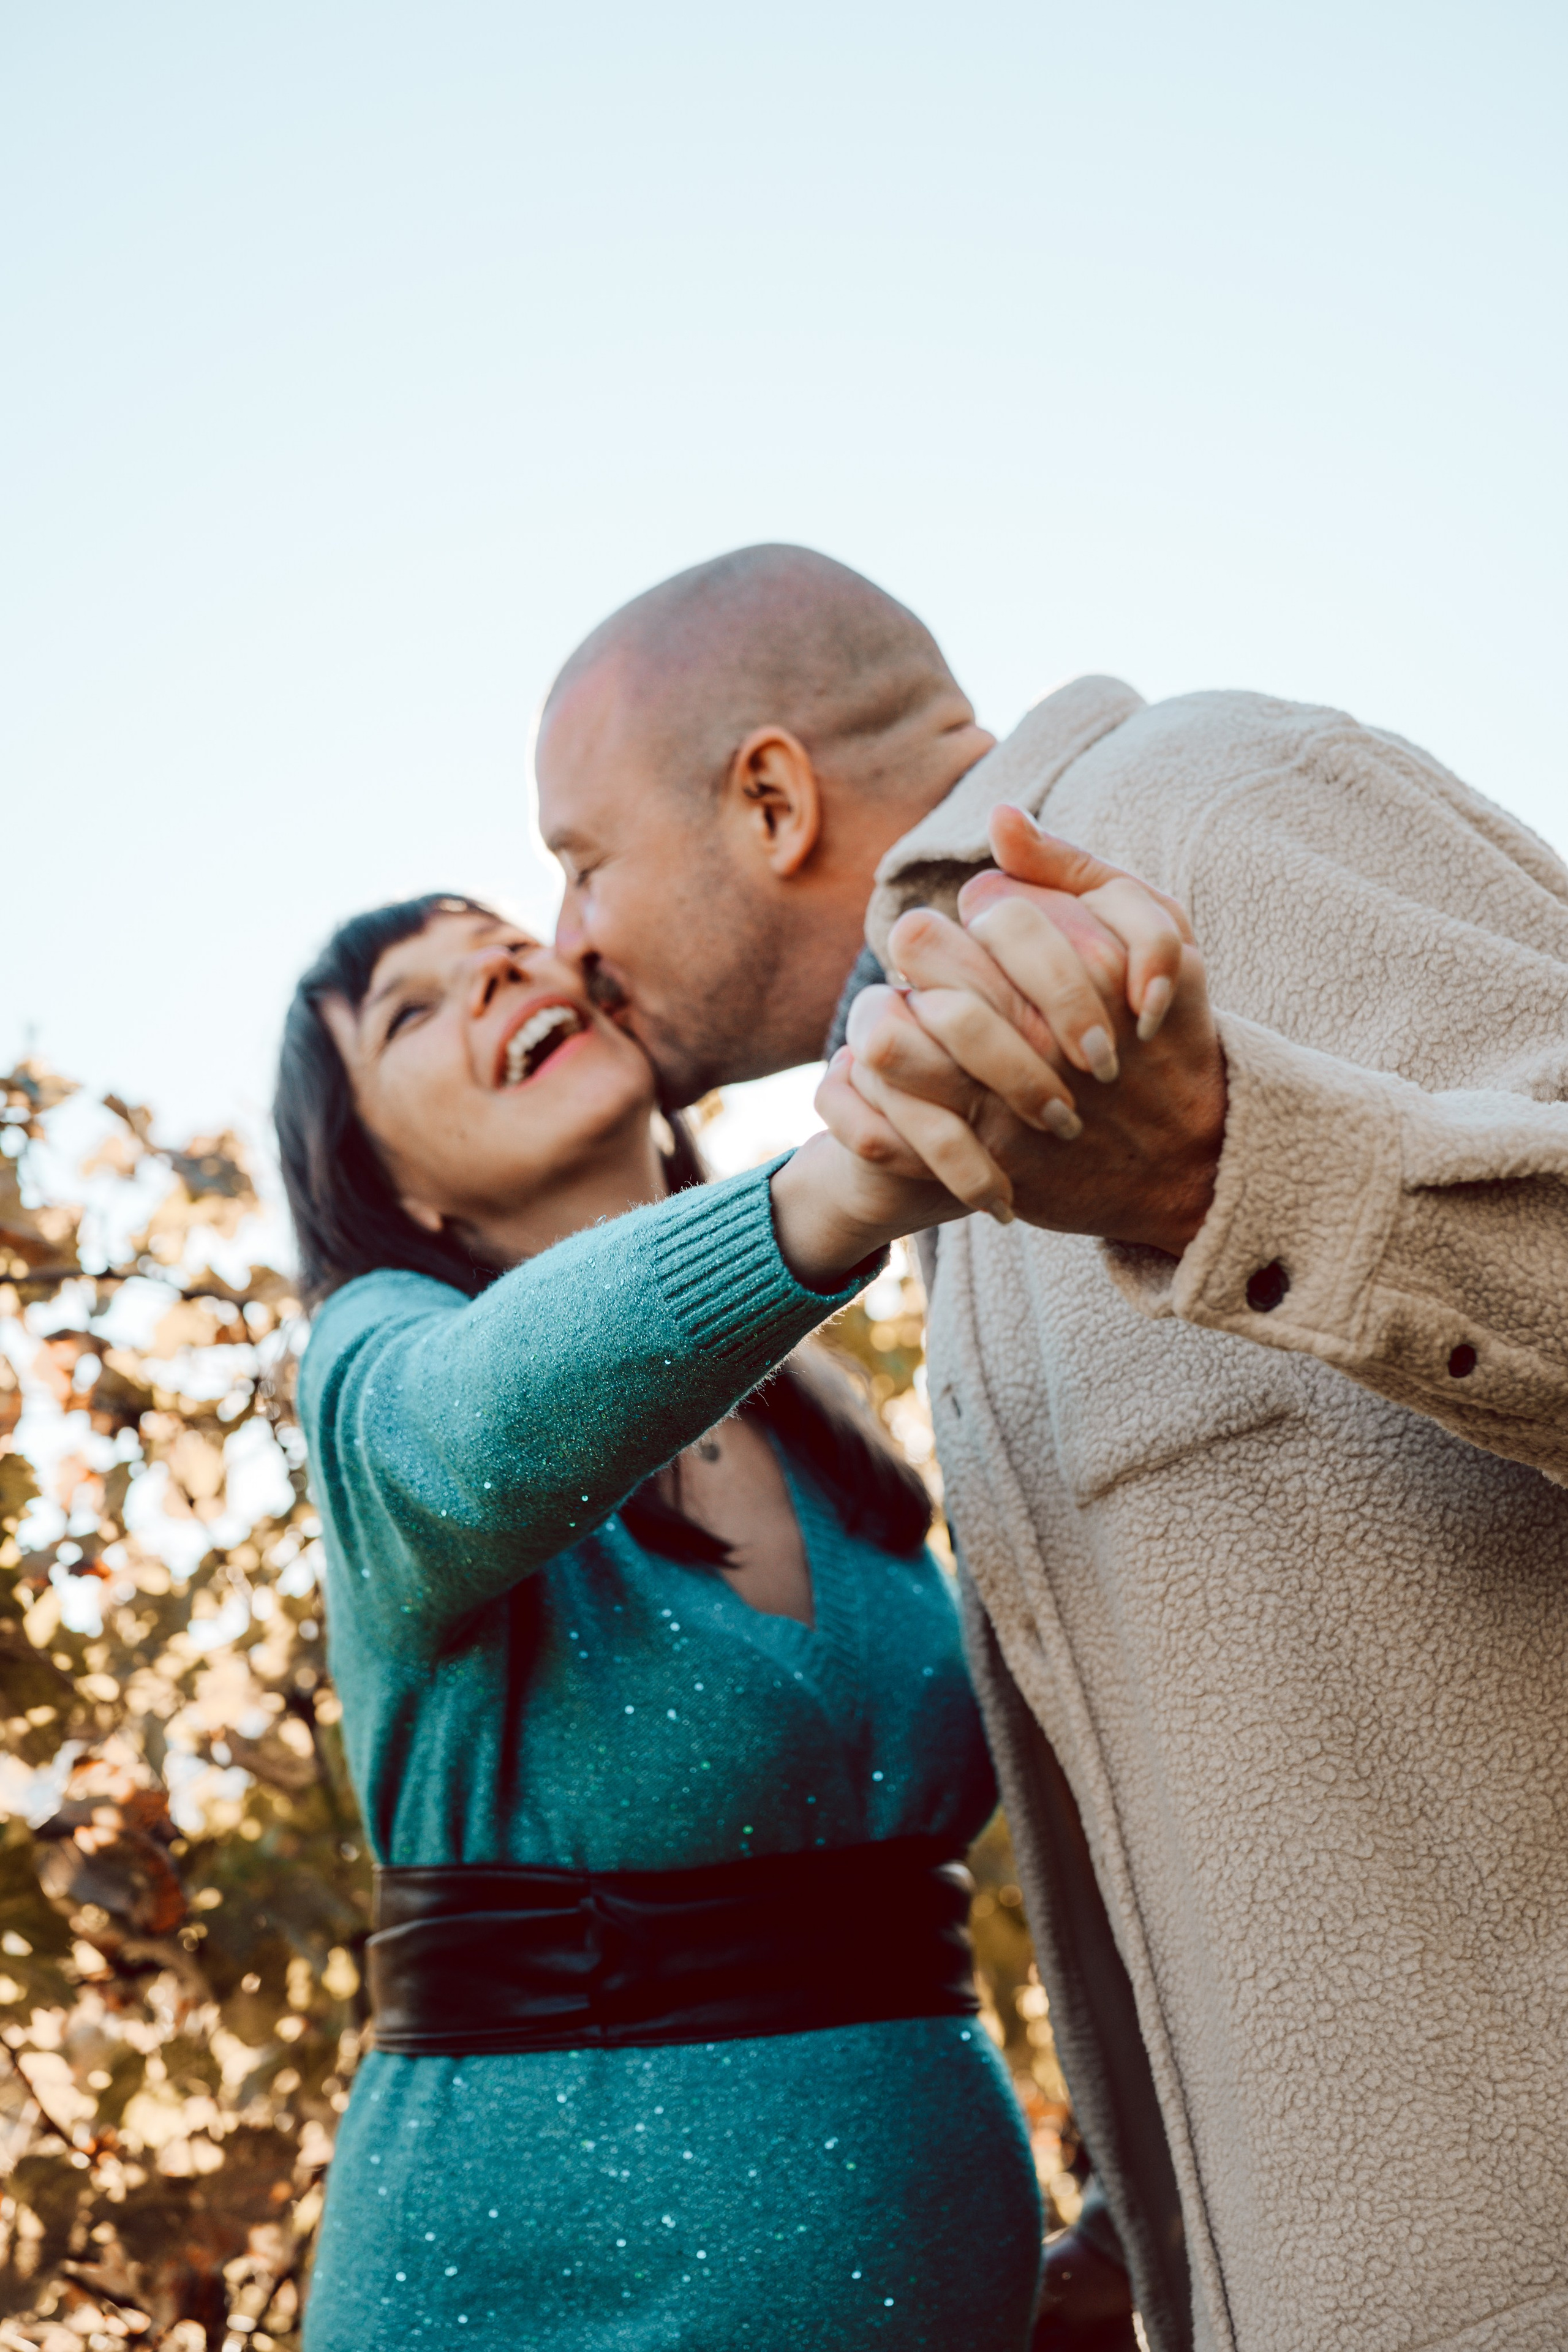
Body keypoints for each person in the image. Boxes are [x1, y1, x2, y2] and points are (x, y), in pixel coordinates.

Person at [535, 545, 1568, 2352]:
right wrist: (1154, 2243)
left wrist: (1222, 1168)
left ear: (769, 799)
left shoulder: (1207, 803)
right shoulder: (976, 1110)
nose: (563, 943)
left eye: (580, 860)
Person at [272, 891, 1045, 2352]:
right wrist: (830, 1194)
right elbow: (475, 1427)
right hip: (524, 2305)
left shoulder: (825, 1428)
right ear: (390, 1187)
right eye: (412, 1008)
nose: (495, 967)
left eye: (502, 941)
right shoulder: (373, 1374)